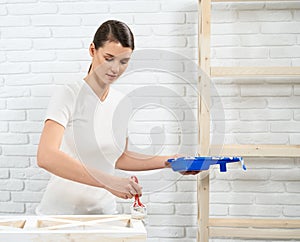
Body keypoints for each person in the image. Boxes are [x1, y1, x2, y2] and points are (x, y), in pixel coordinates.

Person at [36, 20, 195, 216]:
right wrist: (107, 181)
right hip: (60, 215)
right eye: (109, 58)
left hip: (104, 215)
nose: (115, 69)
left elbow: (118, 157)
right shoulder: (68, 94)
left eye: (123, 61)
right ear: (93, 50)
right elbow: (46, 156)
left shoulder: (121, 103)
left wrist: (170, 161)